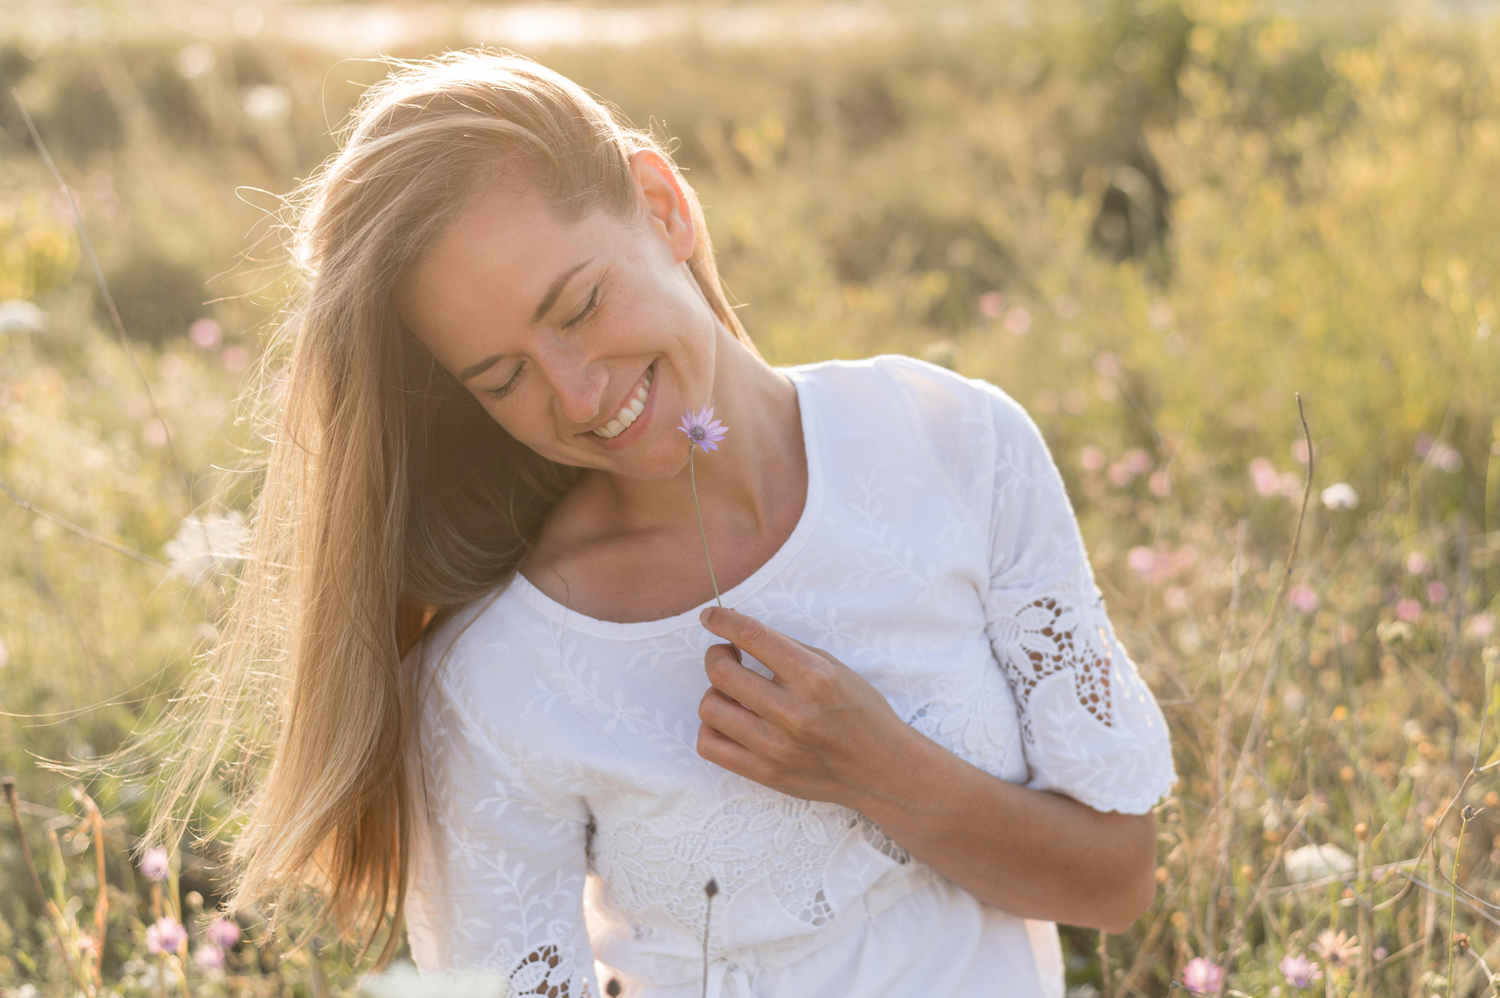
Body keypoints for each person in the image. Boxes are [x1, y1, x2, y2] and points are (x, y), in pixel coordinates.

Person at [151, 50, 1177, 998]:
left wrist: (878, 767)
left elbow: (1115, 878)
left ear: (662, 205)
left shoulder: (956, 441)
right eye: (504, 376)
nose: (580, 392)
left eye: (580, 304)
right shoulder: (497, 678)